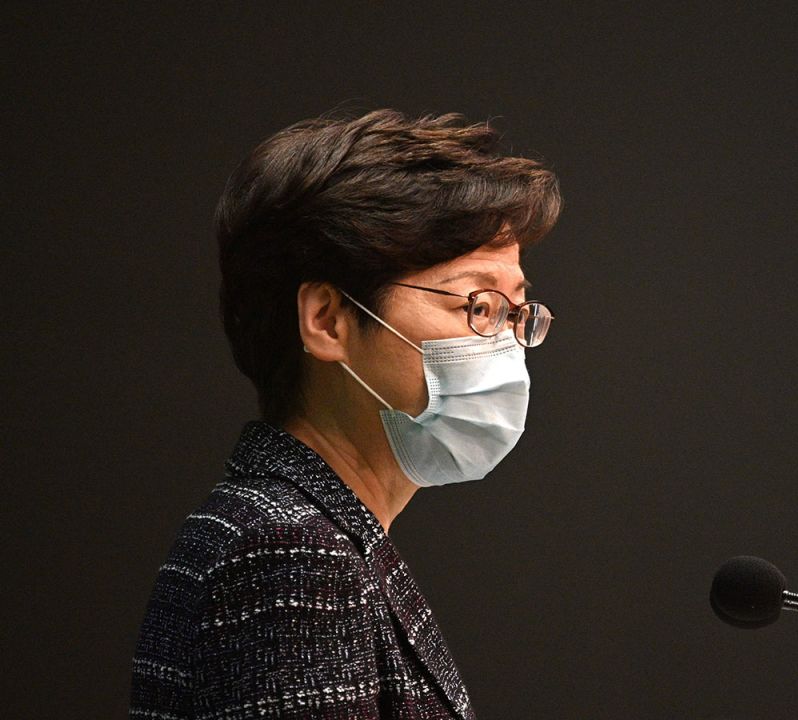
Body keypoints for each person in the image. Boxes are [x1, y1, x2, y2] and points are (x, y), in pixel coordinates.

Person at [129, 109, 561, 719]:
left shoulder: (316, 531)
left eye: (516, 312)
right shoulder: (288, 552)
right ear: (328, 321)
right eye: (477, 304)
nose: (506, 345)